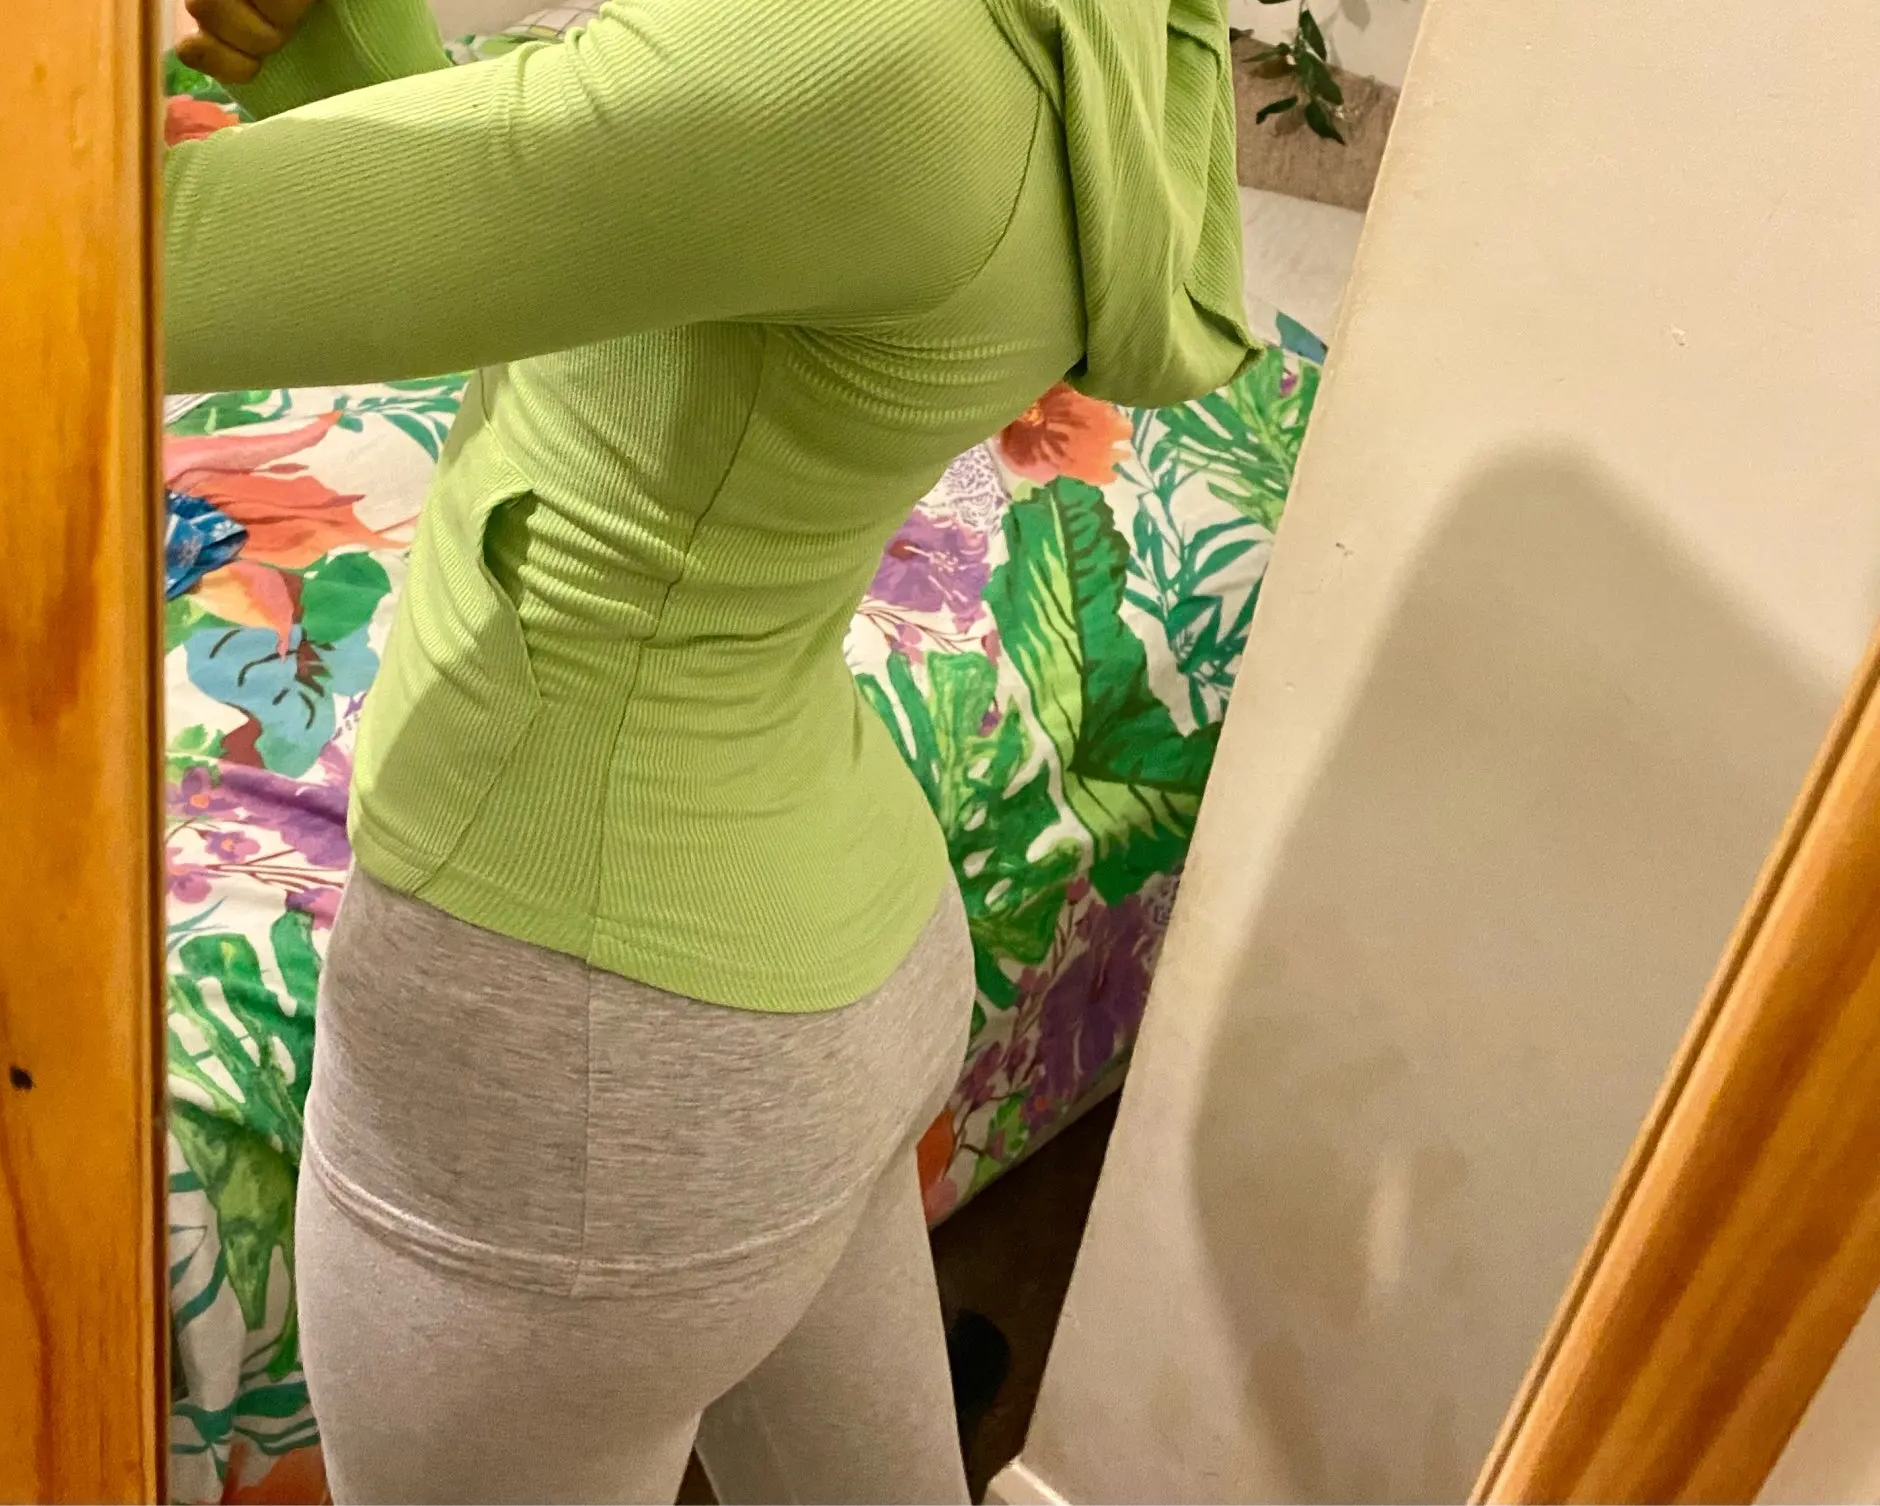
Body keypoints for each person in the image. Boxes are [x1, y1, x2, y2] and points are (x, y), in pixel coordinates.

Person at [164, 0, 1256, 1496]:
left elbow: (120, 268)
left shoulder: (855, 51)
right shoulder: (1046, 38)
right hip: (809, 971)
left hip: (591, 1045)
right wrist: (336, 46)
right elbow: (602, 230)